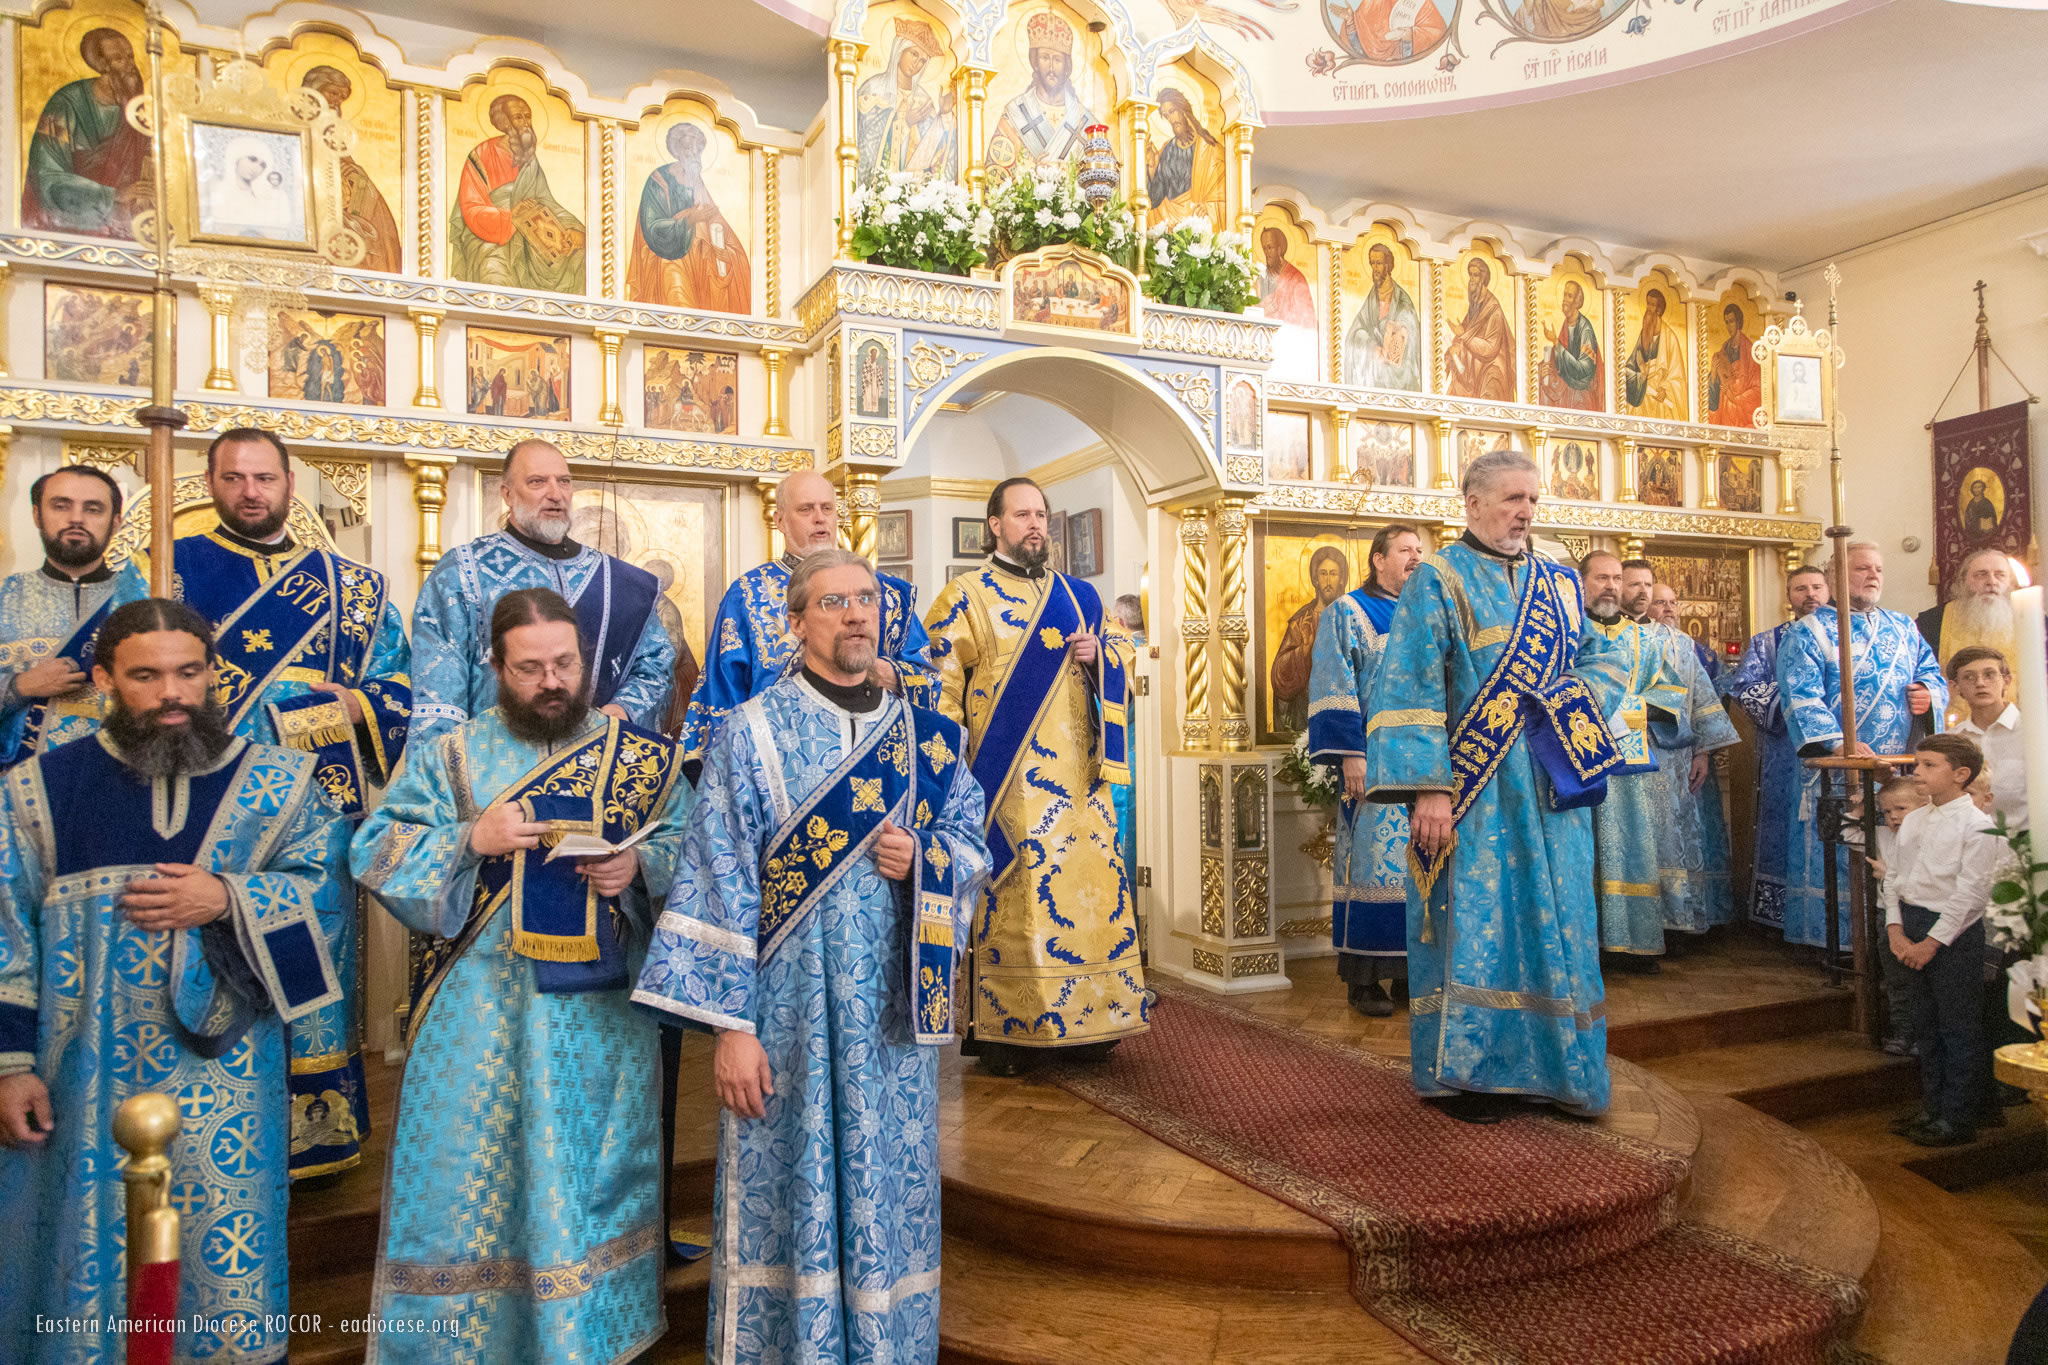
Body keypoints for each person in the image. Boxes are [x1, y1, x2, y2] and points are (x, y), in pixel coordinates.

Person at [633, 549, 991, 1365]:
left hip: (890, 1031)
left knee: (886, 1197)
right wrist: (730, 1029)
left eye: (867, 599)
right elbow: (715, 879)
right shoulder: (750, 732)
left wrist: (928, 858)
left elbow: (973, 843)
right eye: (834, 602)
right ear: (795, 622)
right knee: (785, 1194)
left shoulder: (931, 741)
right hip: (783, 1023)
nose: (857, 614)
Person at [0, 598, 350, 1364]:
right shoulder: (37, 789)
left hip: (225, 1081)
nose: (172, 694)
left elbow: (327, 894)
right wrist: (11, 1063)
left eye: (190, 673)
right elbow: (5, 931)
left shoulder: (278, 783)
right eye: (146, 676)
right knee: (86, 1265)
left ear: (211, 673)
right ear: (103, 679)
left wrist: (227, 897)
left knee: (221, 1267)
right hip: (81, 1075)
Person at [353, 588, 689, 1361]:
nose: (552, 682)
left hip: (601, 1023)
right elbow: (374, 847)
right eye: (530, 667)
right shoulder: (453, 755)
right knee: (472, 1176)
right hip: (479, 1013)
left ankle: (587, 1335)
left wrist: (640, 863)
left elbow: (695, 847)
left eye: (565, 663)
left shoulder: (637, 758)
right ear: (496, 667)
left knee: (591, 1173)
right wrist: (471, 836)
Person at [159, 427, 411, 1179]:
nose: (250, 491)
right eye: (234, 477)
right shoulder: (169, 570)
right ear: (211, 483)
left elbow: (401, 688)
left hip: (314, 811)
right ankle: (206, 1128)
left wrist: (357, 702)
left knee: (311, 961)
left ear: (289, 485)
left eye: (264, 477)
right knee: (208, 957)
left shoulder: (354, 589)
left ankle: (313, 1130)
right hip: (206, 807)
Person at [1365, 449, 1622, 1118]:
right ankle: (1472, 1074)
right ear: (1473, 503)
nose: (1525, 511)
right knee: (1482, 925)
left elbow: (1605, 659)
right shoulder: (1439, 579)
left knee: (1562, 920)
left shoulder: (1560, 583)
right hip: (1477, 793)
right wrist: (1430, 788)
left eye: (1532, 499)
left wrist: (1566, 706)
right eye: (1512, 498)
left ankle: (1563, 1072)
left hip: (1554, 785)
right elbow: (1411, 685)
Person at [925, 478, 1142, 1075]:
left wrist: (1103, 661)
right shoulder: (964, 596)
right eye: (1022, 515)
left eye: (1041, 514)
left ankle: (1094, 1022)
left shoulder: (1080, 597)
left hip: (1082, 786)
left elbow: (1126, 661)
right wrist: (950, 780)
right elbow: (939, 689)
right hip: (1008, 787)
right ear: (995, 525)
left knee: (1092, 901)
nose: (1035, 524)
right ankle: (1010, 1033)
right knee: (1019, 901)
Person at [412, 439, 675, 748]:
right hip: (495, 760)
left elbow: (656, 663)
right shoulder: (461, 573)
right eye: (537, 482)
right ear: (507, 494)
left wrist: (624, 708)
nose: (555, 494)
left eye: (564, 481)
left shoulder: (623, 584)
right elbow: (438, 692)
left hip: (593, 761)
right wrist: (445, 767)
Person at [680, 469, 934, 779]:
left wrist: (891, 674)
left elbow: (929, 680)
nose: (819, 518)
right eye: (806, 509)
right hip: (782, 764)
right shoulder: (749, 595)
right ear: (780, 521)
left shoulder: (889, 594)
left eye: (827, 508)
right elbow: (720, 692)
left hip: (879, 760)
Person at [1778, 542, 1948, 949]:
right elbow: (1800, 694)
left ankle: (1888, 939)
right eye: (1862, 569)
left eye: (1878, 569)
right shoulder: (1808, 630)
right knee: (1839, 856)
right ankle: (1834, 944)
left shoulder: (1903, 626)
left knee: (1892, 856)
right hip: (1840, 768)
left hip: (1896, 771)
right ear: (1835, 576)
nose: (1873, 576)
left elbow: (1932, 673)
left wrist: (1928, 694)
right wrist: (1839, 746)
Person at [1308, 523, 1422, 1015]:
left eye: (1420, 550)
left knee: (1422, 867)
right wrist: (1350, 753)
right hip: (1374, 762)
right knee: (1373, 865)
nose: (1415, 557)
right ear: (1378, 559)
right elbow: (1334, 680)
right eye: (1405, 550)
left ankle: (1412, 974)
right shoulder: (1348, 611)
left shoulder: (1425, 612)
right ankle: (1365, 979)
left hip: (1423, 764)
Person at [1884, 733, 2003, 1148]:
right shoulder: (1916, 819)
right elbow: (1894, 877)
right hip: (1911, 924)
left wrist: (1931, 943)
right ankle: (1932, 1107)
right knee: (1925, 1025)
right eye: (1918, 763)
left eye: (1929, 765)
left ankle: (1958, 1116)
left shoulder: (1978, 826)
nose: (1916, 772)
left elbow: (1971, 896)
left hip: (1954, 934)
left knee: (1957, 1026)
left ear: (1960, 774)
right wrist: (1895, 929)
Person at [1578, 550, 1690, 967]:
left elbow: (1670, 695)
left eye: (1615, 578)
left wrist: (1628, 710)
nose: (1610, 586)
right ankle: (1585, 947)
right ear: (1581, 582)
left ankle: (1632, 944)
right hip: (1576, 761)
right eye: (1601, 578)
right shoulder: (1567, 631)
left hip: (1630, 762)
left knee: (1631, 849)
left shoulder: (1647, 638)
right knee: (1583, 852)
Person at [0, 465, 147, 767]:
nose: (76, 518)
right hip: (18, 780)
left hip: (122, 772)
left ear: (116, 522)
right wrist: (19, 686)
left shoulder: (144, 600)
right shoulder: (4, 596)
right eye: (61, 506)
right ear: (37, 515)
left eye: (93, 509)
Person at [1723, 564, 1831, 930]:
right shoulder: (1767, 642)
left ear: (1829, 591)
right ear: (1789, 597)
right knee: (1782, 828)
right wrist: (1801, 699)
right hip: (1784, 753)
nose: (1810, 595)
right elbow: (1745, 688)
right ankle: (1778, 918)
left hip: (1835, 749)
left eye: (1817, 587)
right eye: (1801, 588)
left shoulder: (1845, 637)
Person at [1643, 587, 1741, 938]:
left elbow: (1703, 700)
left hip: (1682, 758)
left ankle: (1687, 918)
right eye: (1660, 602)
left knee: (1684, 836)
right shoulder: (1620, 639)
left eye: (1673, 603)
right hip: (1638, 756)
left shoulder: (1685, 644)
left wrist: (1703, 751)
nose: (1668, 609)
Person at [449, 93, 588, 293]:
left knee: (579, 258)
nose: (525, 123)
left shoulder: (529, 161)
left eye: (527, 117)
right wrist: (511, 217)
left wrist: (572, 232)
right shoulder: (481, 155)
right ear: (504, 122)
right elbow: (472, 208)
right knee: (493, 270)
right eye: (518, 117)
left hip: (532, 235)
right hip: (491, 236)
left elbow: (546, 202)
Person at [21, 28, 152, 239]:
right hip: (72, 223)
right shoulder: (65, 104)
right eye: (119, 59)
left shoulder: (136, 110)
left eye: (131, 57)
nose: (130, 66)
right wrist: (113, 195)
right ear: (101, 65)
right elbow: (47, 174)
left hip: (126, 224)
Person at [627, 121, 753, 314]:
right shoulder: (659, 180)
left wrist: (728, 253)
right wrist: (688, 220)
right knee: (679, 310)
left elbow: (718, 225)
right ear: (677, 150)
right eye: (688, 148)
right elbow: (652, 229)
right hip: (668, 260)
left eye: (697, 150)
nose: (693, 154)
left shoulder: (697, 183)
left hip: (700, 263)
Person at [300, 65, 402, 272]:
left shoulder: (332, 133)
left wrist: (352, 174)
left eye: (341, 97)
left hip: (340, 207)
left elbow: (344, 163)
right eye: (332, 93)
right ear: (314, 90)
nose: (336, 101)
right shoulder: (295, 128)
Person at [987, 11, 1101, 177]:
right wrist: (1032, 173)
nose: (1051, 67)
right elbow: (995, 175)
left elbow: (1104, 176)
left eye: (1058, 60)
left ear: (1067, 66)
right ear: (1035, 62)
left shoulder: (1085, 121)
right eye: (1045, 58)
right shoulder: (1015, 114)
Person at [1916, 548, 2015, 722]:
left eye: (2000, 575)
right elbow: (1917, 677)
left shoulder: (2034, 622)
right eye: (1981, 575)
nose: (1991, 582)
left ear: (2010, 582)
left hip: (2021, 727)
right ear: (1964, 581)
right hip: (1952, 729)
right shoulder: (1932, 622)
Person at [855, 17, 958, 183]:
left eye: (923, 60)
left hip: (916, 192)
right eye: (914, 54)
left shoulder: (923, 99)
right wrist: (904, 123)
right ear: (899, 50)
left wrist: (944, 116)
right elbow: (866, 142)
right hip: (879, 190)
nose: (917, 63)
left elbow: (934, 154)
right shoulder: (873, 88)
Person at [1271, 546, 1349, 732]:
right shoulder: (1301, 622)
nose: (1328, 581)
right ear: (1315, 579)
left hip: (1345, 707)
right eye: (1323, 574)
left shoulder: (1351, 617)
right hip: (1306, 710)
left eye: (1333, 574)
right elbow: (1279, 675)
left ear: (1341, 579)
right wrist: (1303, 650)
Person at [1947, 645, 2024, 831]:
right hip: (1969, 836)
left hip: (2026, 836)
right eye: (1969, 677)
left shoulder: (2034, 731)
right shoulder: (1953, 741)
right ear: (1955, 687)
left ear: (2006, 681)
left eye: (1989, 675)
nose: (1980, 683)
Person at [1344, 242, 1425, 392]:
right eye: (1372, 263)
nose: (1375, 268)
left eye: (1379, 263)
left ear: (1388, 266)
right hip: (1375, 367)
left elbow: (1409, 322)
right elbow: (1356, 330)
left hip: (1396, 371)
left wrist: (1398, 331)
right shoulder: (1372, 297)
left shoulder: (1401, 299)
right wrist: (1372, 346)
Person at [1146, 88, 1226, 227]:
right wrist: (1152, 167)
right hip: (1168, 225)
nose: (1171, 120)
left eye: (1172, 111)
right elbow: (1155, 200)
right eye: (1166, 116)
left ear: (1183, 109)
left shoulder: (1210, 149)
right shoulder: (1166, 150)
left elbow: (1226, 193)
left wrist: (1208, 207)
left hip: (1198, 225)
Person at [1443, 257, 1514, 401]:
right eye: (1470, 275)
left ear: (1484, 279)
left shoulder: (1493, 309)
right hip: (1474, 367)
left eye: (1475, 275)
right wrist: (1457, 347)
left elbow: (1490, 349)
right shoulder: (1475, 306)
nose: (1471, 280)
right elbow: (1465, 333)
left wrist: (1464, 336)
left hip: (1492, 368)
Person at [1536, 280, 1603, 411]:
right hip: (1568, 389)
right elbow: (1558, 360)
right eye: (1564, 295)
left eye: (1570, 296)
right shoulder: (1567, 324)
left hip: (1582, 393)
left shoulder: (1585, 330)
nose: (1565, 300)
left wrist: (1555, 342)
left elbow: (1583, 370)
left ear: (1577, 302)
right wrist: (1542, 369)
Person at [1622, 287, 1687, 419]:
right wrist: (1639, 377)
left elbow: (1678, 377)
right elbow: (1632, 365)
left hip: (1659, 393)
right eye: (1648, 304)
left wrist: (1665, 390)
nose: (1648, 308)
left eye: (1652, 305)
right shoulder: (1645, 334)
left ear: (1659, 310)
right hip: (1643, 388)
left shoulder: (1670, 338)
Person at [1708, 302, 1763, 427]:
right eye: (1726, 322)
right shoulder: (1725, 348)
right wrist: (1714, 372)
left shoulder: (1749, 350)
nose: (1729, 326)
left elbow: (1757, 388)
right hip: (1724, 408)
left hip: (1741, 410)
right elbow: (1716, 382)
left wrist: (1734, 396)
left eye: (1731, 321)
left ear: (1738, 322)